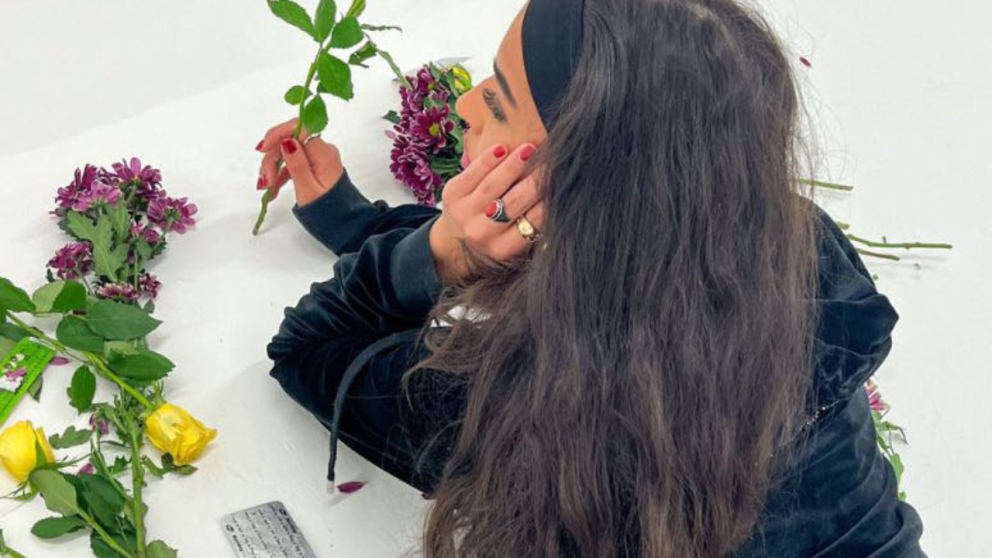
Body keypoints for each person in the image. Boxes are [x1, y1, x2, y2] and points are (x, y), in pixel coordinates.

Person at [256, 0, 926, 556]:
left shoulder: (545, 410)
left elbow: (307, 351)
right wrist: (356, 220)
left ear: (569, 189)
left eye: (498, 95)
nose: (465, 107)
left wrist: (436, 253)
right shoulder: (798, 253)